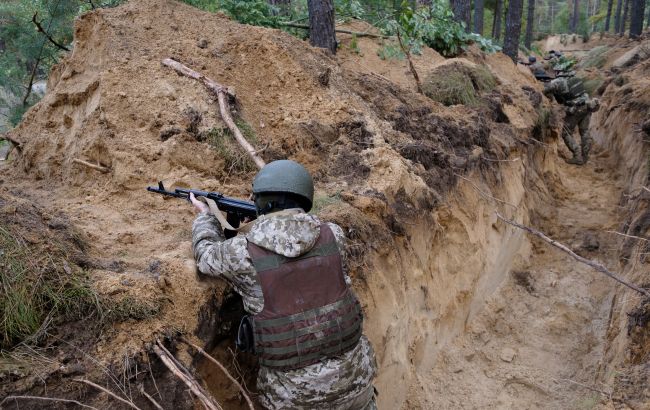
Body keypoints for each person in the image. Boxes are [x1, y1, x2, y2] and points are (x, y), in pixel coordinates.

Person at [189, 159, 377, 409]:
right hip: (357, 386)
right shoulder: (334, 234)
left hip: (294, 400)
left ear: (261, 201)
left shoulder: (242, 253)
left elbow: (205, 254)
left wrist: (206, 218)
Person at [544, 75, 599, 165]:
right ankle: (585, 157)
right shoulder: (567, 82)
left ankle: (577, 156)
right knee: (584, 131)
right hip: (587, 104)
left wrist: (543, 90)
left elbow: (547, 90)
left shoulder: (556, 83)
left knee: (566, 133)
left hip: (577, 108)